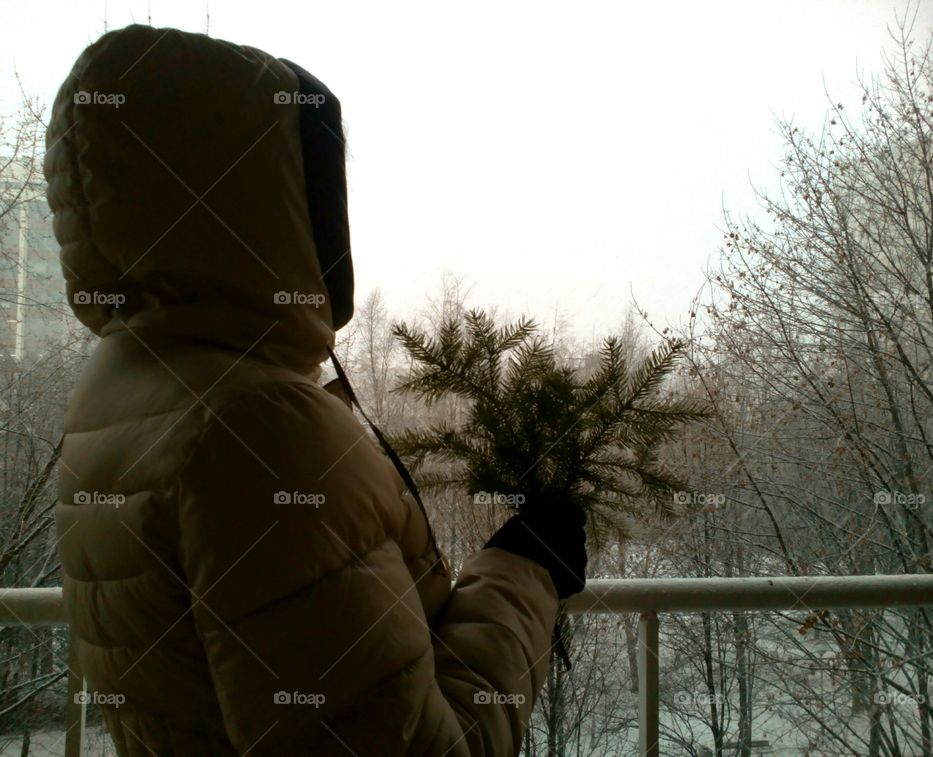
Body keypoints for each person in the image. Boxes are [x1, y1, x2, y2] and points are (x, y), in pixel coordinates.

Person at [46, 24, 587, 756]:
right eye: (316, 183)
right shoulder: (257, 427)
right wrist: (526, 571)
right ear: (258, 201)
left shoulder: (120, 396)